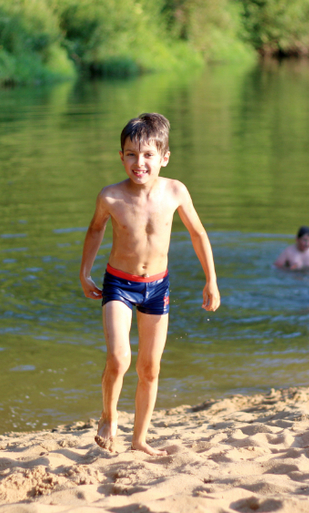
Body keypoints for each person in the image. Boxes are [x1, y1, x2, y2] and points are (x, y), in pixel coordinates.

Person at [80, 113, 221, 456]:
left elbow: (198, 233)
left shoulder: (175, 191)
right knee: (119, 358)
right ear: (121, 156)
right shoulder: (110, 196)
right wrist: (85, 272)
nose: (139, 163)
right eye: (131, 154)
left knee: (150, 368)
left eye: (147, 155)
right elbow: (95, 229)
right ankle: (108, 416)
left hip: (157, 287)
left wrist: (211, 280)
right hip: (119, 284)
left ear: (164, 157)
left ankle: (139, 439)